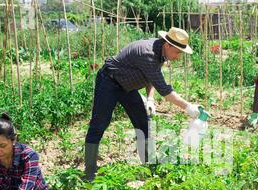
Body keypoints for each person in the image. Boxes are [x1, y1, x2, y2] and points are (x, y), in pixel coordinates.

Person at [84, 27, 206, 181]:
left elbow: (152, 77)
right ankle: (89, 172)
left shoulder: (160, 51)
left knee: (143, 124)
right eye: (177, 52)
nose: (178, 57)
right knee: (99, 123)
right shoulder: (148, 53)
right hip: (109, 81)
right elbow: (165, 90)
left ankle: (148, 167)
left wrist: (150, 99)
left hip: (127, 87)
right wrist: (188, 106)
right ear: (167, 45)